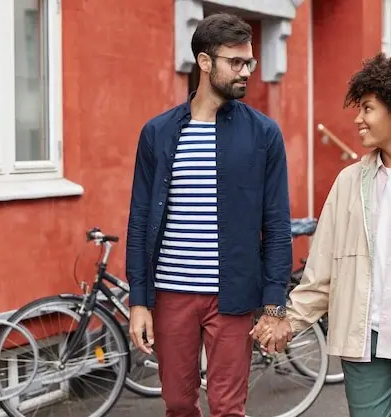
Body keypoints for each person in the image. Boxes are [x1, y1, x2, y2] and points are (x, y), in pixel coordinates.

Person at [252, 53, 391, 417]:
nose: (358, 119)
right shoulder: (348, 183)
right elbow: (322, 272)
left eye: (368, 109)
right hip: (363, 345)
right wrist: (286, 321)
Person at [125, 12, 292, 417]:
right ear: (204, 61)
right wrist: (139, 302)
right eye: (235, 62)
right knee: (178, 403)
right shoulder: (158, 133)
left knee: (228, 407)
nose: (246, 71)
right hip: (171, 294)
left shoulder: (264, 134)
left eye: (249, 62)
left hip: (232, 294)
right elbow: (140, 219)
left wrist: (274, 306)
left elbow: (276, 225)